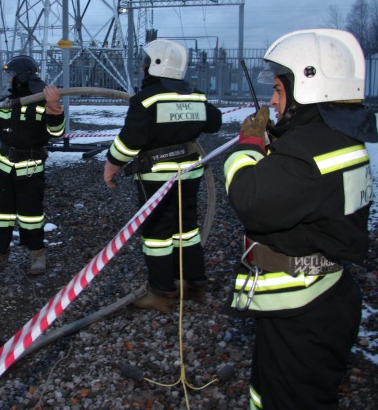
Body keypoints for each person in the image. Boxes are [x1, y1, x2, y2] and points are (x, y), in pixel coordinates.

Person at [223, 28, 376, 409]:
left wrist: (248, 146)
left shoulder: (310, 151)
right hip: (320, 297)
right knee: (272, 393)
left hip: (301, 308)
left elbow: (249, 197)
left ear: (307, 87)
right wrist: (279, 142)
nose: (273, 101)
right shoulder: (336, 139)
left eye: (278, 90)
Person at [103, 39, 222, 313]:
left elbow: (129, 143)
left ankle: (161, 292)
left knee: (157, 235)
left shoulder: (146, 100)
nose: (142, 68)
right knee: (187, 228)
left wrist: (111, 165)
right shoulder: (196, 96)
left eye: (146, 63)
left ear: (155, 66)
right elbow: (214, 123)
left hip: (156, 178)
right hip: (189, 175)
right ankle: (193, 284)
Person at [0, 55, 66, 275]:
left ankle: (37, 256)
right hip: (3, 168)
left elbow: (57, 132)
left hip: (30, 169)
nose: (8, 80)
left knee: (31, 216)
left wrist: (54, 109)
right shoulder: (4, 101)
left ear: (22, 76)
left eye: (11, 75)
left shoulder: (43, 100)